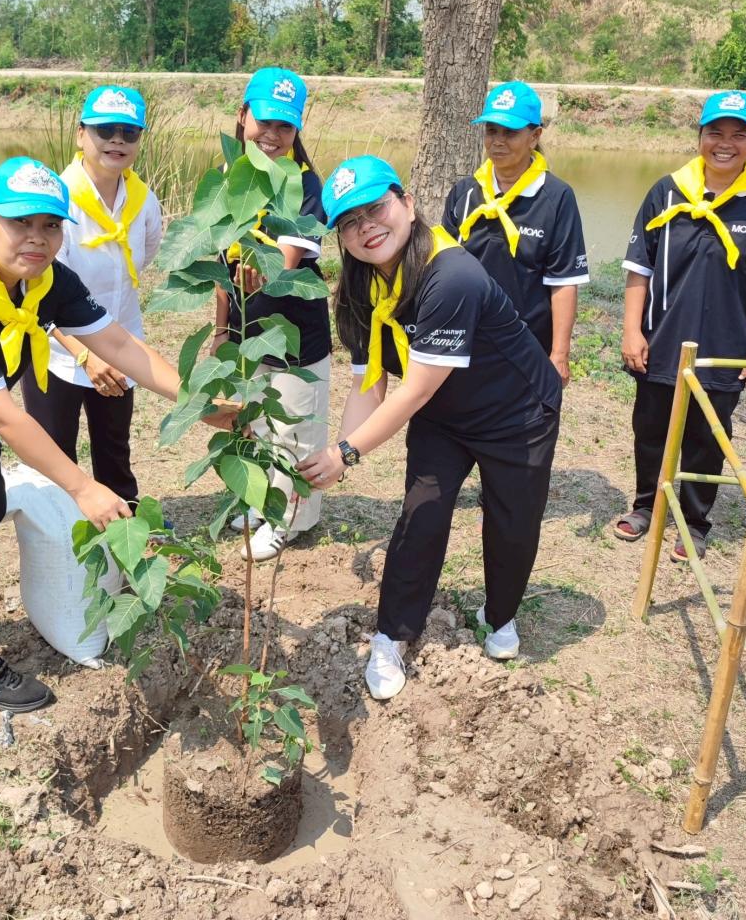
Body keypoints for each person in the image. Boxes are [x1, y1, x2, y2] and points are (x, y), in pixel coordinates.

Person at [0, 157, 232, 713]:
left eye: (50, 225)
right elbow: (6, 417)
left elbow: (119, 346)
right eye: (20, 223)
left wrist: (201, 404)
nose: (37, 238)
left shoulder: (46, 281)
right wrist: (83, 487)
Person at [298, 156, 562, 700]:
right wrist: (335, 456)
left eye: (376, 208)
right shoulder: (358, 288)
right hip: (444, 416)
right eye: (349, 222)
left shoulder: (452, 276)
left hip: (516, 411)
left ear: (408, 204)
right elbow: (367, 385)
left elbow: (413, 389)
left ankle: (502, 612)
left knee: (512, 522)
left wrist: (347, 453)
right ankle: (392, 635)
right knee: (421, 514)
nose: (366, 226)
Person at [613, 90, 746, 561]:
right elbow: (639, 267)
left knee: (708, 436)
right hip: (662, 338)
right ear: (700, 136)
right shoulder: (667, 190)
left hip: (726, 346)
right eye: (715, 132)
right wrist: (632, 330)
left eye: (739, 134)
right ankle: (646, 506)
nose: (726, 143)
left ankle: (695, 523)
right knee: (652, 428)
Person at [22, 85, 162, 506]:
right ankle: (60, 534)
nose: (117, 140)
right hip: (56, 350)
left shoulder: (143, 199)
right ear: (81, 134)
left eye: (129, 132)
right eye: (105, 130)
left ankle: (126, 525)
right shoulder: (56, 202)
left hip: (119, 342)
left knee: (114, 446)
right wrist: (86, 354)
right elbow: (37, 293)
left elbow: (149, 250)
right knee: (54, 452)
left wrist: (107, 351)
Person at [213, 66, 330, 561]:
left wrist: (259, 268)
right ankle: (262, 503)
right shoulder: (227, 180)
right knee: (256, 422)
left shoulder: (306, 186)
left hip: (295, 333)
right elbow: (220, 262)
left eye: (286, 126)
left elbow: (283, 263)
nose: (273, 136)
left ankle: (291, 520)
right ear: (242, 117)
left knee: (295, 429)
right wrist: (221, 329)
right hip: (246, 328)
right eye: (265, 122)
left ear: (297, 131)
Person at [442, 81, 588, 385]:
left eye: (510, 133)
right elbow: (443, 268)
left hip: (526, 346)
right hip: (466, 341)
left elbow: (563, 282)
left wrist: (559, 355)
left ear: (534, 137)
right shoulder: (465, 193)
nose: (498, 141)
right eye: (491, 131)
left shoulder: (556, 198)